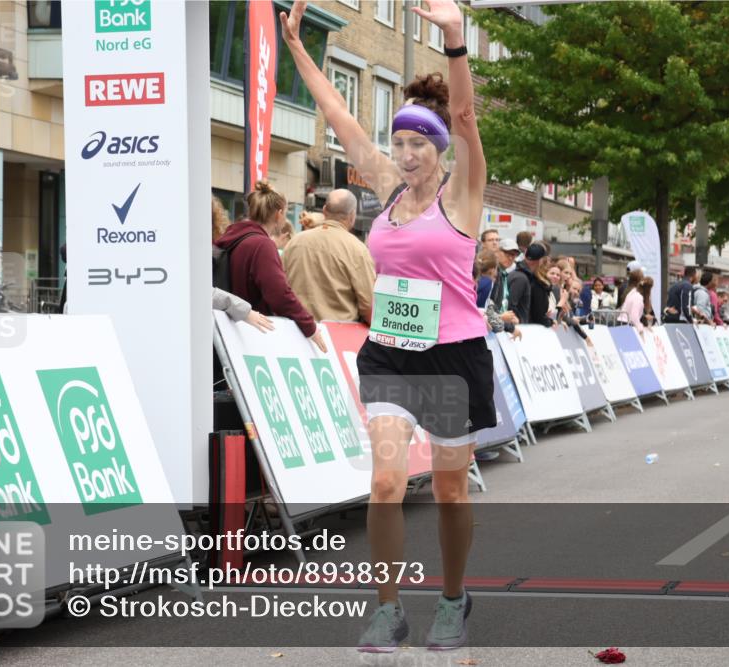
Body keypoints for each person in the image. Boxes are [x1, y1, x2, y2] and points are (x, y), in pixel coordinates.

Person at [282, 0, 490, 651]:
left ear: (438, 149)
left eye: (415, 144)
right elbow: (340, 119)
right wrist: (298, 51)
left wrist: (455, 39)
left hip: (454, 356)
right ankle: (388, 607)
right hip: (391, 356)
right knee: (384, 480)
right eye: (396, 142)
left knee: (452, 489)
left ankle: (454, 600)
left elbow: (463, 115)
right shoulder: (390, 192)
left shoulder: (464, 194)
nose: (403, 153)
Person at [214, 180, 326, 352]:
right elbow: (279, 294)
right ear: (279, 214)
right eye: (286, 212)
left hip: (228, 330)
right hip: (251, 336)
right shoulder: (262, 245)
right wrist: (309, 327)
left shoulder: (233, 237)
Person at [282, 188, 376, 324]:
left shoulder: (294, 242)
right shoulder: (357, 250)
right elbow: (369, 307)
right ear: (352, 216)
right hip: (339, 336)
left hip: (296, 331)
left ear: (324, 210)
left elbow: (280, 287)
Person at [491, 238, 530, 329]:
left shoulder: (503, 274)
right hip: (492, 328)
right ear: (497, 252)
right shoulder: (492, 273)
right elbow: (487, 306)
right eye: (507, 253)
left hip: (499, 326)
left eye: (514, 255)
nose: (511, 258)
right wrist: (503, 320)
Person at [619, 270, 648, 337]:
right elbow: (634, 315)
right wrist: (640, 328)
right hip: (628, 325)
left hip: (624, 322)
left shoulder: (631, 291)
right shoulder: (636, 295)